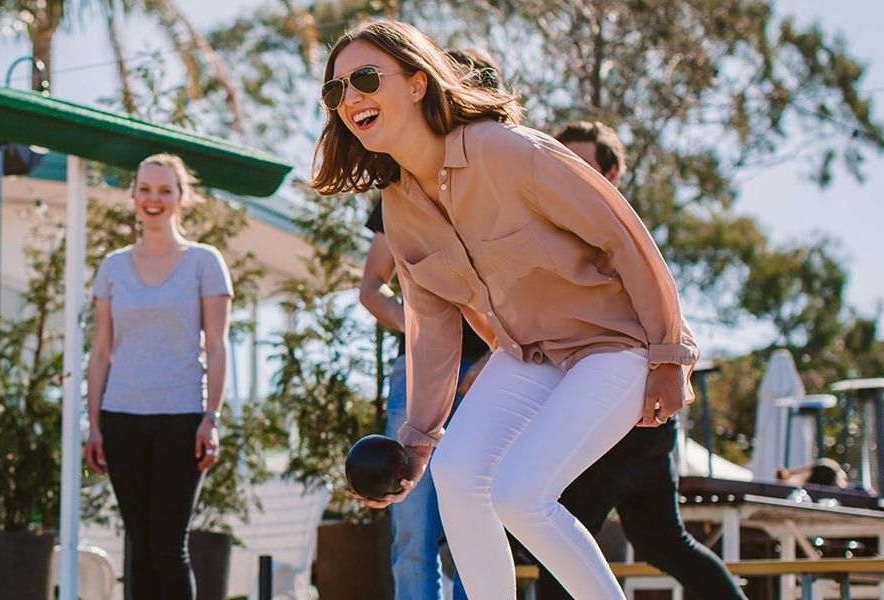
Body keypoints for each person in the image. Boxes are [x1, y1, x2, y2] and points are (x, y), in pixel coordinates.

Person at [311, 20, 698, 598]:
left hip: (616, 342)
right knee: (456, 475)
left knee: (521, 492)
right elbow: (431, 328)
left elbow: (625, 235)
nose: (351, 98)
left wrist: (670, 353)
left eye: (365, 77)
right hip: (530, 353)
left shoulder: (507, 150)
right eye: (336, 90)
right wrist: (417, 441)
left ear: (419, 83)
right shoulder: (399, 207)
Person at [531, 121, 745, 600]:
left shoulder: (616, 234)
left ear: (611, 173)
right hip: (639, 425)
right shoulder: (562, 232)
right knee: (661, 541)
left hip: (623, 418)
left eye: (582, 164)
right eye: (561, 162)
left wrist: (670, 372)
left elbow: (666, 316)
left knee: (554, 536)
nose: (569, 174)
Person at [358, 47, 500, 600]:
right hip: (416, 379)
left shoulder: (502, 178)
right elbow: (372, 288)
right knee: (413, 529)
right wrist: (423, 331)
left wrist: (494, 358)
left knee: (481, 522)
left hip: (500, 374)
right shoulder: (400, 188)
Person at [84, 153, 233, 599]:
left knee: (168, 545)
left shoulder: (205, 262)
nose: (154, 199)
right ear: (133, 197)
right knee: (140, 546)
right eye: (145, 189)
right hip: (120, 418)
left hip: (182, 417)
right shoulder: (111, 267)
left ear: (182, 198)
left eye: (165, 190)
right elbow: (101, 352)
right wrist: (93, 425)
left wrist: (212, 417)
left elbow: (218, 345)